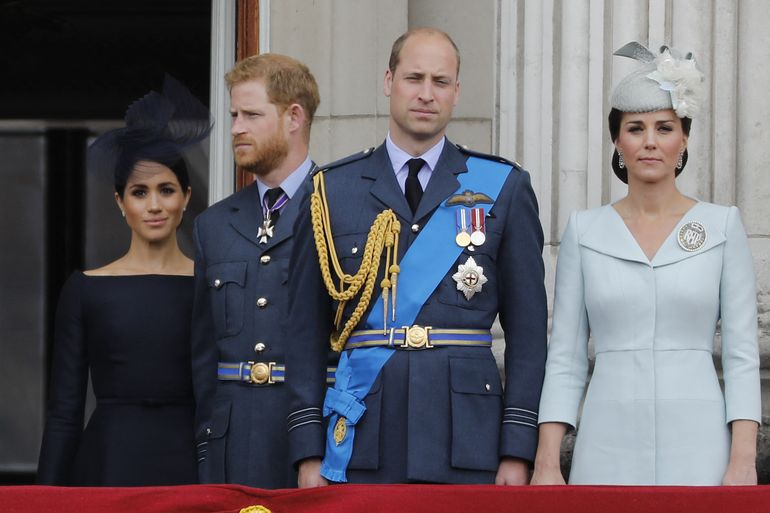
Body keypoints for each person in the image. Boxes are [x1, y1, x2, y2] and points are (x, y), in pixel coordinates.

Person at [285, 27, 547, 487]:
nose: (427, 94)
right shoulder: (331, 190)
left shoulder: (502, 187)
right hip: (361, 439)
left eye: (441, 82)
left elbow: (528, 334)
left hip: (468, 439)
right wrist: (308, 452)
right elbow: (304, 333)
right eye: (414, 78)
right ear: (389, 81)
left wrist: (517, 450)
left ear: (457, 92)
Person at [531, 42, 761, 486]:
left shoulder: (722, 226)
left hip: (702, 445)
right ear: (617, 140)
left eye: (665, 127)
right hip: (605, 441)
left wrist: (743, 459)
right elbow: (566, 356)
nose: (651, 142)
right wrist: (546, 460)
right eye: (636, 128)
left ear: (684, 138)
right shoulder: (584, 230)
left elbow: (740, 356)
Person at [37, 76, 211, 486]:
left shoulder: (210, 285)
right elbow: (64, 411)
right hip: (107, 468)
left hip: (192, 467)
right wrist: (43, 498)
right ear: (121, 201)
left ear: (185, 197)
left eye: (166, 190)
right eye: (139, 192)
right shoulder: (86, 289)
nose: (154, 205)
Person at [190, 53, 331, 488]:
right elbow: (203, 355)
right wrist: (206, 445)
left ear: (294, 117)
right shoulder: (213, 224)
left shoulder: (341, 207)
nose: (235, 128)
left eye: (251, 114)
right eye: (234, 114)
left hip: (315, 440)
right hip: (231, 443)